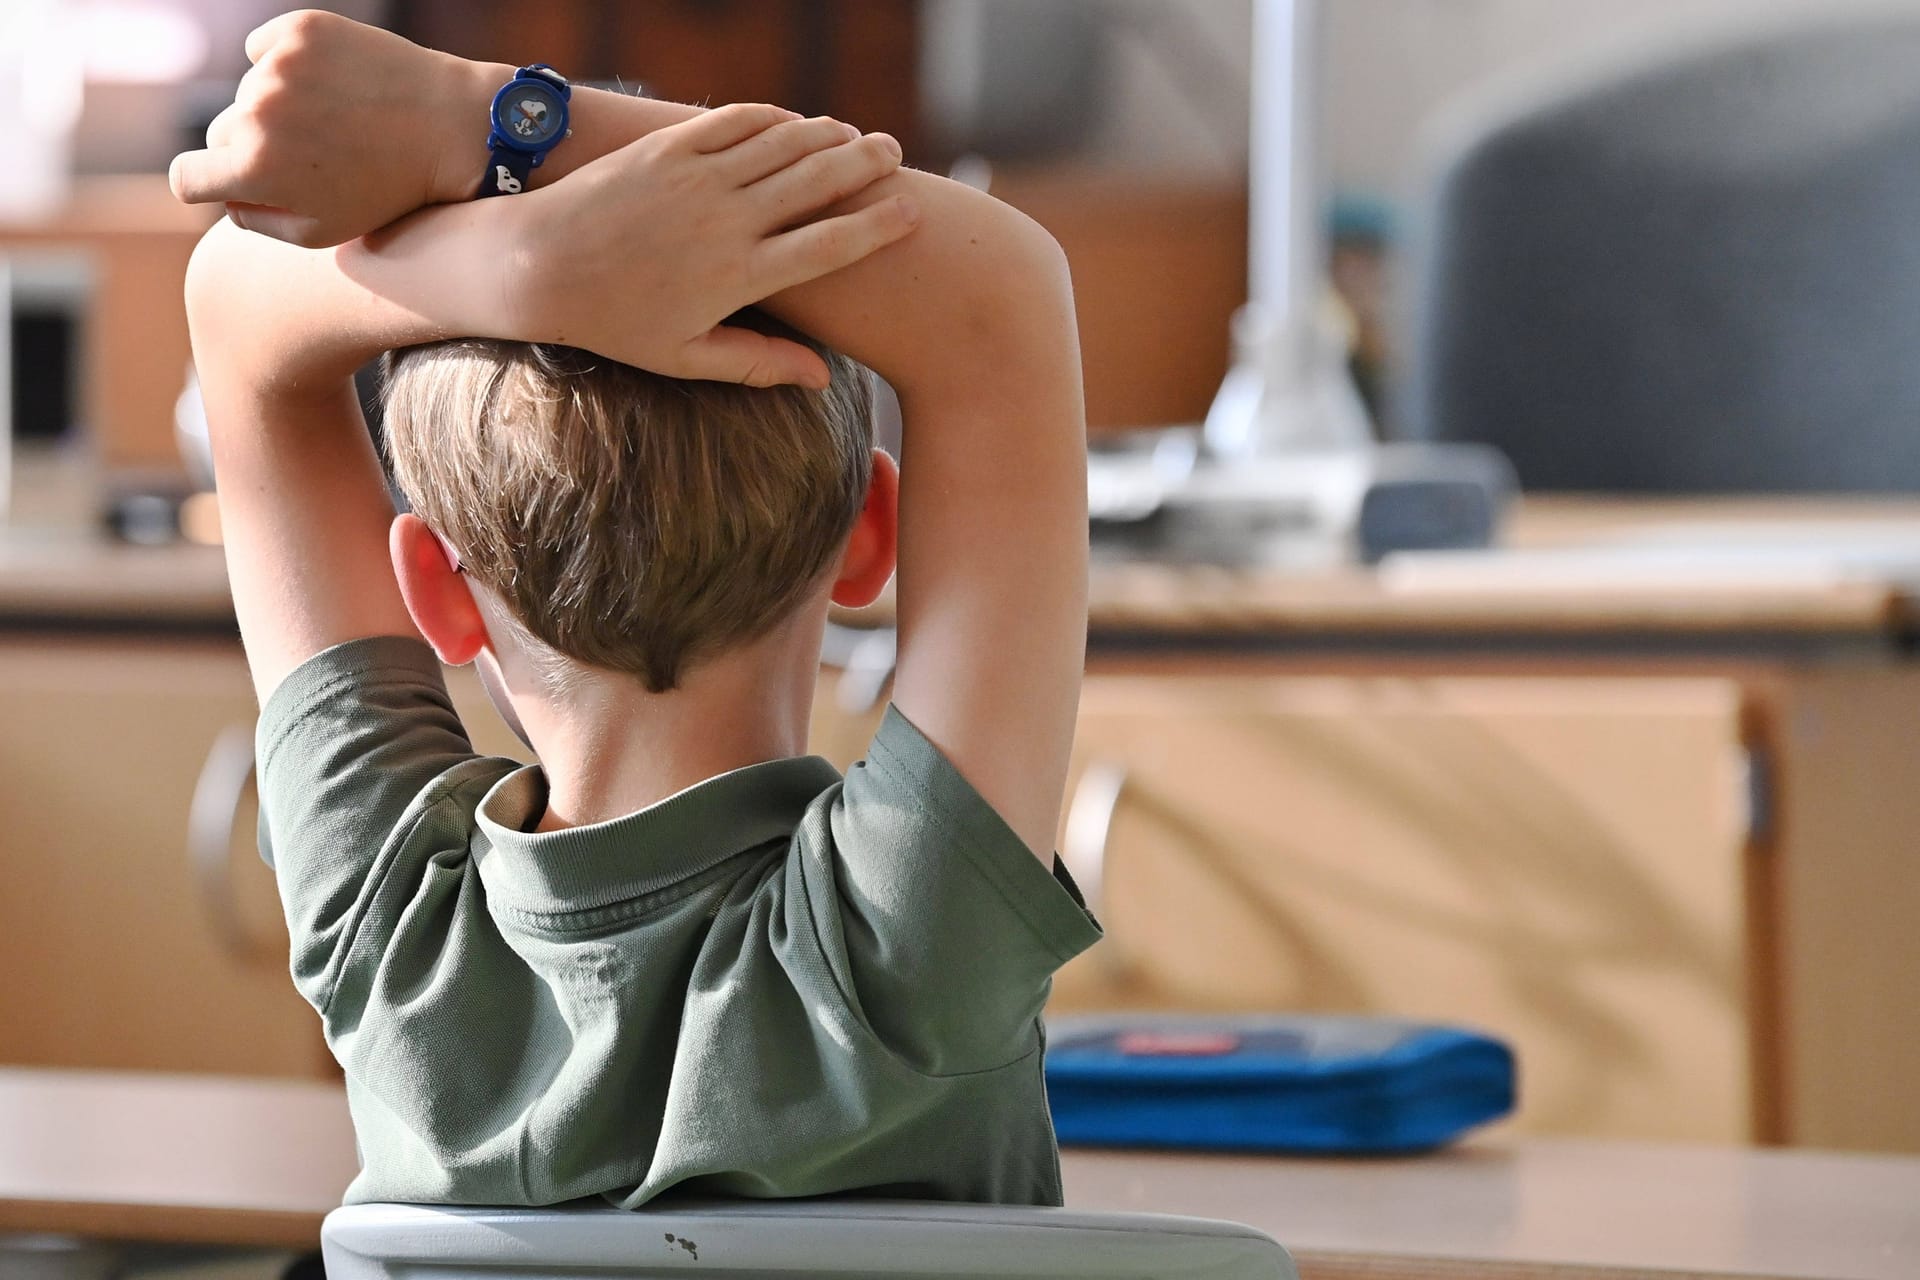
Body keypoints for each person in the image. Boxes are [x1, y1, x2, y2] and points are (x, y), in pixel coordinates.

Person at [174, 11, 1098, 1209]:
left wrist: (520, 263)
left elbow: (231, 309)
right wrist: (483, 122)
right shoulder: (909, 947)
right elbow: (999, 287)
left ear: (437, 593)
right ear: (875, 533)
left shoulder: (393, 931)